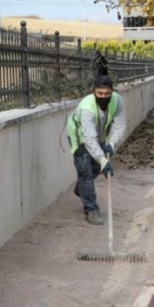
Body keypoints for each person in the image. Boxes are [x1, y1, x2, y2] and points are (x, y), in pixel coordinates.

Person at [67, 76, 126, 225]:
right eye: (100, 93)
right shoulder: (87, 107)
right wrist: (103, 160)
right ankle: (91, 209)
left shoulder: (117, 101)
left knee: (95, 169)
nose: (103, 97)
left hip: (99, 135)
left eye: (107, 94)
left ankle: (82, 189)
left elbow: (120, 126)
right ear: (94, 92)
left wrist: (111, 144)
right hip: (80, 137)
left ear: (111, 92)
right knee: (85, 172)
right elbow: (89, 139)